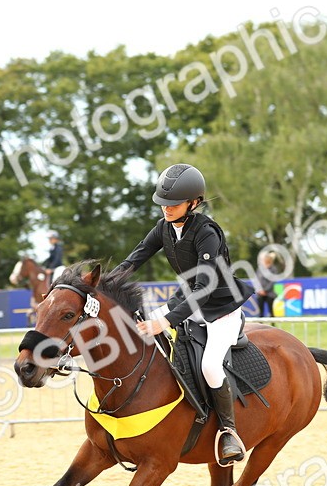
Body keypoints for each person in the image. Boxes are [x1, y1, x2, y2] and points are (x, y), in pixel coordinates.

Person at [108, 163, 254, 465]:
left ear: (194, 203)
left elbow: (204, 287)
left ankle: (228, 431)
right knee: (143, 335)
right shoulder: (163, 228)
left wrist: (166, 320)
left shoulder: (207, 233)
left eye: (174, 204)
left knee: (211, 366)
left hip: (220, 308)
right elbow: (135, 258)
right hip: (188, 298)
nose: (167, 209)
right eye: (163, 203)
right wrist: (103, 283)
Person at [254, 251, 277, 317]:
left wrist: (265, 290)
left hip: (269, 293)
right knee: (261, 312)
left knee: (271, 310)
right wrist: (260, 290)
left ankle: (273, 325)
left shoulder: (273, 269)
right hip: (260, 293)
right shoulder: (260, 268)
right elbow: (257, 280)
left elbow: (272, 281)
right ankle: (260, 325)